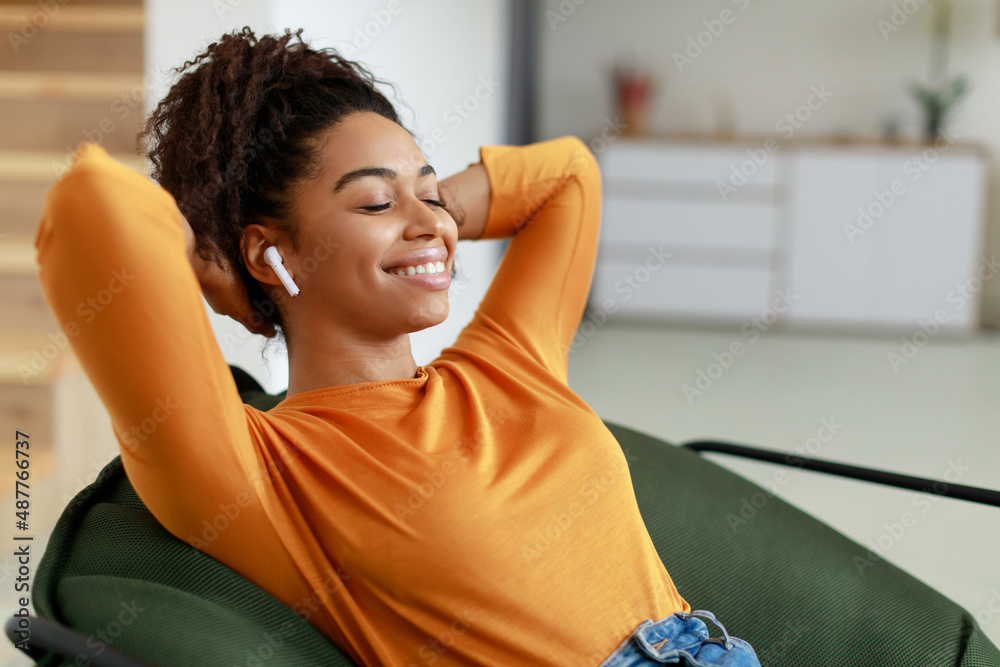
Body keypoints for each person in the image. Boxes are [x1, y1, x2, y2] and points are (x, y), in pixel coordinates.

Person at [35, 27, 760, 667]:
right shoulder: (263, 473)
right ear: (269, 252)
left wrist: (422, 213)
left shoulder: (506, 361)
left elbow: (569, 175)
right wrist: (221, 265)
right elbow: (96, 207)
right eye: (375, 202)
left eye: (431, 192)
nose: (432, 224)